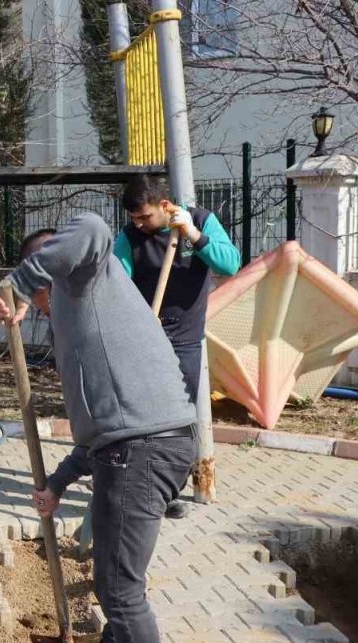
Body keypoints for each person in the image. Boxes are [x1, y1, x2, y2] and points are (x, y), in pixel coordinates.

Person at [0, 214, 195, 643]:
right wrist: (59, 481)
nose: (39, 293)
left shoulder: (86, 266)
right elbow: (99, 426)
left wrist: (18, 278)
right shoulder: (74, 322)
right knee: (119, 576)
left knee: (119, 587)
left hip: (145, 447)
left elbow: (91, 229)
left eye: (45, 272)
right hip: (133, 445)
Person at [116, 175, 241, 518]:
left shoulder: (199, 221)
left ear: (165, 206)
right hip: (145, 339)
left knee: (179, 421)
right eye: (134, 219)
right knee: (143, 418)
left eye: (145, 217)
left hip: (186, 340)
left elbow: (230, 264)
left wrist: (194, 237)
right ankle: (135, 484)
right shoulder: (128, 237)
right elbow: (116, 282)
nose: (139, 224)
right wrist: (136, 316)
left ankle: (168, 491)